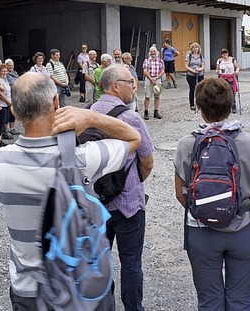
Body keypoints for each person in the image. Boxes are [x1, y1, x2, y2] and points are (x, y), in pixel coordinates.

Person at [0, 71, 141, 310]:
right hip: (78, 286)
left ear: (15, 113)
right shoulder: (83, 158)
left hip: (26, 290)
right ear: (56, 104)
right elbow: (134, 138)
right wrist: (91, 117)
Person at [174, 77, 250, 310]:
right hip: (244, 229)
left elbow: (180, 194)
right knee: (241, 301)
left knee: (209, 301)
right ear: (229, 104)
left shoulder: (187, 144)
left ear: (200, 109)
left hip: (201, 233)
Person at [91, 66, 155, 311]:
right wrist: (132, 181)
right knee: (131, 263)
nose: (134, 85)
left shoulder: (88, 113)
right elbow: (147, 160)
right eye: (130, 81)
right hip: (128, 203)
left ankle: (105, 305)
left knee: (99, 260)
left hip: (96, 202)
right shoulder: (130, 118)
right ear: (115, 86)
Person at [142, 46, 165, 120]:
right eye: (151, 51)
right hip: (149, 79)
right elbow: (145, 71)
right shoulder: (146, 61)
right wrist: (151, 78)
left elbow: (162, 71)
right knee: (147, 96)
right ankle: (146, 112)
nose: (152, 53)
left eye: (154, 51)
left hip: (157, 79)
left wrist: (157, 77)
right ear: (149, 52)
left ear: (156, 52)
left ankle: (156, 111)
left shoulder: (160, 61)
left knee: (157, 96)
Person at [216, 48, 240, 114]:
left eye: (226, 53)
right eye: (223, 54)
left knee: (231, 92)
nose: (225, 55)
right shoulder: (219, 61)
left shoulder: (232, 59)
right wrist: (218, 71)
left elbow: (237, 67)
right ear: (221, 55)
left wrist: (237, 71)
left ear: (228, 53)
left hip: (230, 78)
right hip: (222, 78)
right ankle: (223, 107)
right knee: (222, 93)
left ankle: (233, 106)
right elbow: (217, 69)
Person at [0, 64, 12, 148]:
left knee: (4, 122)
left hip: (6, 103)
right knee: (0, 123)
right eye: (3, 71)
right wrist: (8, 102)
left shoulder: (5, 79)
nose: (5, 73)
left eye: (6, 71)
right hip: (1, 104)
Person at [184, 42, 205, 111]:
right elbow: (186, 66)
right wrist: (192, 70)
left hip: (200, 74)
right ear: (191, 49)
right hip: (191, 75)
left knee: (200, 89)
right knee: (192, 89)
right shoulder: (189, 56)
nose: (195, 49)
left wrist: (199, 69)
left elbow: (203, 66)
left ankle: (200, 103)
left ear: (198, 48)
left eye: (196, 47)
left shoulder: (201, 56)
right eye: (193, 48)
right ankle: (192, 104)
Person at [4, 59, 20, 137]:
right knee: (7, 113)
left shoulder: (15, 73)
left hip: (15, 95)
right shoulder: (5, 74)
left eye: (12, 65)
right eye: (9, 65)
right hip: (8, 96)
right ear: (6, 66)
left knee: (13, 113)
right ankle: (7, 130)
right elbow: (12, 83)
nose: (11, 67)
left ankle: (12, 128)